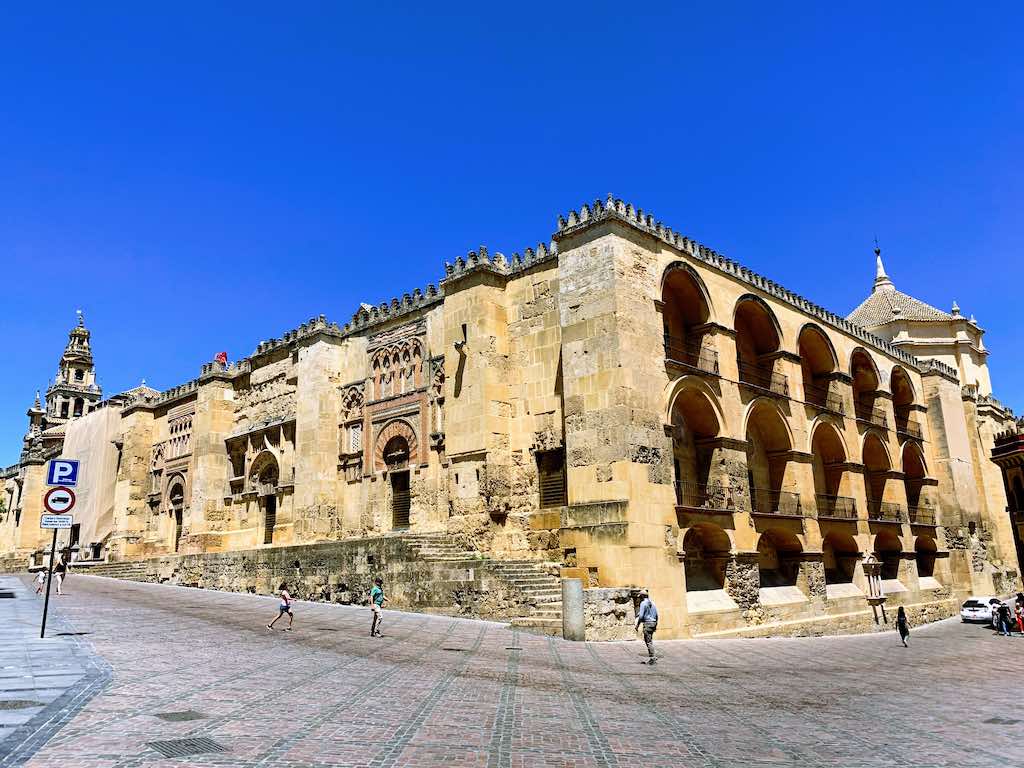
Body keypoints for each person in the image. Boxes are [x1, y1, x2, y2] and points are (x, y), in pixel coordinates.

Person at [634, 589, 659, 664]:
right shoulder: (653, 603)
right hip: (653, 623)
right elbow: (657, 615)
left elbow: (641, 616)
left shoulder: (643, 603)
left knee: (648, 642)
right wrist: (655, 623)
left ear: (642, 596)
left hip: (647, 623)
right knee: (650, 640)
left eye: (640, 597)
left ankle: (653, 658)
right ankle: (653, 655)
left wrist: (637, 625)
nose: (639, 598)